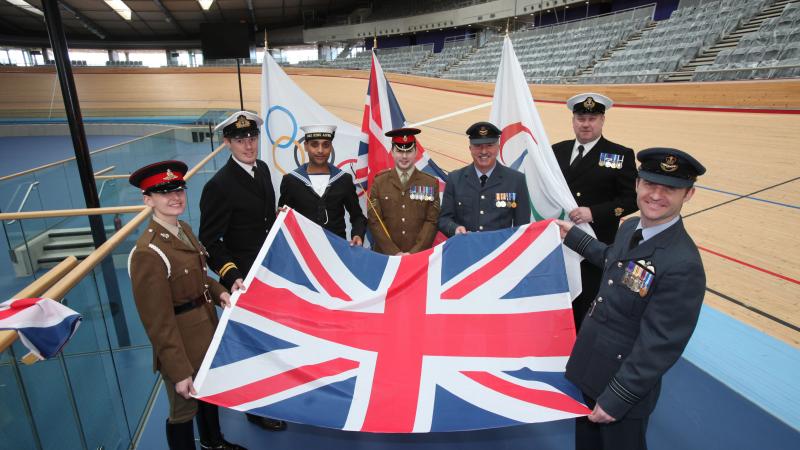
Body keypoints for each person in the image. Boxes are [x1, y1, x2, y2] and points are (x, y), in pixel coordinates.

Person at [555, 148, 707, 450]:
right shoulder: (629, 227)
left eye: (671, 189)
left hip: (621, 388)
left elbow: (660, 346)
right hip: (591, 367)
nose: (656, 195)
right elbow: (614, 260)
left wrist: (616, 399)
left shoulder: (682, 263)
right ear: (637, 184)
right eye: (650, 184)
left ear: (688, 194)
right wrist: (575, 236)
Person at [128, 160, 246, 450]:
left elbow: (199, 277)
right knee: (183, 410)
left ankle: (213, 442)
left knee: (207, 391)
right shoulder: (149, 252)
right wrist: (179, 370)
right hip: (180, 342)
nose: (175, 197)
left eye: (178, 189)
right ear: (148, 200)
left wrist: (221, 291)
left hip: (204, 329)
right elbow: (158, 323)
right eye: (164, 191)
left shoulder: (184, 230)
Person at [198, 110, 286, 431]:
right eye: (240, 140)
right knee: (252, 347)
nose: (248, 145)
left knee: (270, 338)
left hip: (269, 271)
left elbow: (262, 221)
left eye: (252, 138)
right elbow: (209, 242)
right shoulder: (218, 186)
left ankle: (273, 392)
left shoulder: (261, 169)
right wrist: (232, 275)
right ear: (227, 143)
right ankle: (255, 408)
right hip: (244, 279)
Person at [552, 93, 638, 329]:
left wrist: (595, 212)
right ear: (573, 120)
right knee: (558, 297)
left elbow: (632, 199)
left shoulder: (620, 155)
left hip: (595, 243)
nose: (586, 124)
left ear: (602, 121)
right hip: (559, 241)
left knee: (586, 302)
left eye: (592, 118)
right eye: (581, 118)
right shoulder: (556, 151)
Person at [278, 124, 366, 245]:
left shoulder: (343, 179)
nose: (320, 150)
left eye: (325, 145)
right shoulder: (291, 180)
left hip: (337, 249)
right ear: (306, 146)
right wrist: (279, 216)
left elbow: (357, 216)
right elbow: (283, 217)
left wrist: (357, 234)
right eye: (314, 144)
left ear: (331, 147)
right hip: (304, 250)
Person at [438, 121, 530, 236]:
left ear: (498, 147)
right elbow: (444, 219)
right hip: (466, 248)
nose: (484, 151)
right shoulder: (455, 179)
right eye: (477, 146)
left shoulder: (516, 180)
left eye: (489, 145)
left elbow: (522, 227)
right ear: (470, 148)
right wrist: (455, 229)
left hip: (499, 250)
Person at [367, 128, 439, 255]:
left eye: (409, 151)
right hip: (386, 257)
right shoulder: (379, 182)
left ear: (416, 151)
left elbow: (431, 222)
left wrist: (414, 253)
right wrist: (394, 252)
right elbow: (375, 221)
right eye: (399, 151)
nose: (404, 156)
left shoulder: (430, 183)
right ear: (392, 152)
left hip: (418, 258)